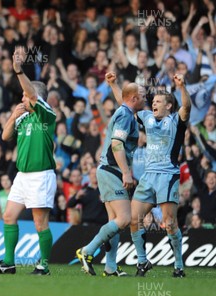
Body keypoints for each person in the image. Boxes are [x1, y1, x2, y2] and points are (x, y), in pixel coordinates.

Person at [0, 49, 57, 276]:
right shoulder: (24, 116)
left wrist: (18, 69)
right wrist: (13, 116)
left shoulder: (46, 114)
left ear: (35, 97)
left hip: (41, 175)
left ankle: (43, 265)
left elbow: (32, 96)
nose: (23, 98)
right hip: (22, 176)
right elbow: (5, 137)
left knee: (39, 223)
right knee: (8, 216)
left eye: (26, 96)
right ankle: (8, 262)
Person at [76, 72, 146, 276]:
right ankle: (87, 251)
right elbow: (117, 144)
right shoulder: (126, 115)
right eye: (142, 95)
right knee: (124, 219)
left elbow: (124, 99)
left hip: (107, 170)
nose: (145, 98)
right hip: (113, 171)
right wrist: (126, 172)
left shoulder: (125, 110)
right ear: (134, 99)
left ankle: (110, 266)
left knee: (114, 222)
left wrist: (114, 84)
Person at [129, 74, 190, 278]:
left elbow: (187, 108)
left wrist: (182, 87)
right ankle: (142, 261)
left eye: (158, 101)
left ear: (169, 106)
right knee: (134, 219)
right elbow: (128, 106)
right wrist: (112, 84)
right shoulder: (146, 117)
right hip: (148, 177)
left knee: (169, 222)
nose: (153, 103)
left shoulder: (175, 120)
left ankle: (179, 266)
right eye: (153, 101)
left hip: (168, 176)